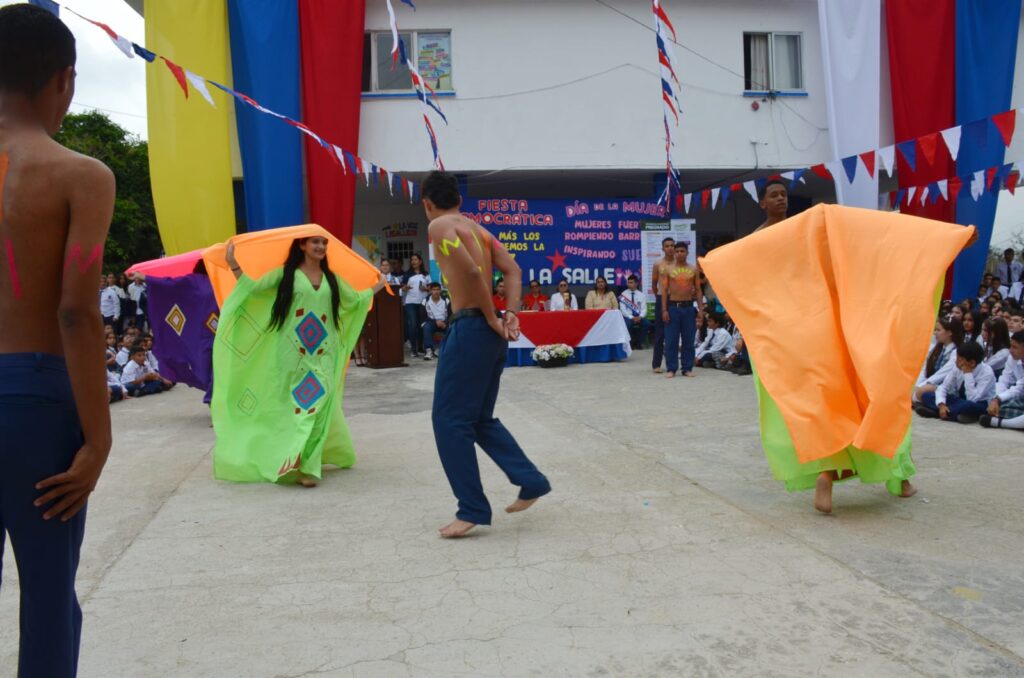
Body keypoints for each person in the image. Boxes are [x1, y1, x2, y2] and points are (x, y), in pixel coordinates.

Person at [701, 203, 976, 515]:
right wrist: (952, 240)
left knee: (834, 412)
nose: (780, 200)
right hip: (858, 333)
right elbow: (900, 240)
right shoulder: (833, 228)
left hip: (823, 336)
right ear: (764, 201)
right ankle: (900, 480)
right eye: (774, 195)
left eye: (782, 195)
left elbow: (749, 265)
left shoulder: (796, 234)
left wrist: (715, 262)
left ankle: (827, 476)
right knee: (882, 405)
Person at [0, 6, 115, 675]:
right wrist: (98, 440)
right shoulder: (79, 175)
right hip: (35, 402)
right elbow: (76, 312)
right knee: (47, 596)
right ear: (64, 81)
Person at [421, 171, 550, 538]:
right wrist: (510, 313)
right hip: (487, 334)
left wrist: (494, 319)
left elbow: (474, 273)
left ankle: (472, 508)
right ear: (459, 200)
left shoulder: (440, 226)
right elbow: (513, 270)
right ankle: (531, 480)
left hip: (471, 327)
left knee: (448, 421)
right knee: (478, 419)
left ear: (427, 203)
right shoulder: (479, 230)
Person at [213, 235, 387, 487]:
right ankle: (294, 459)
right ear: (302, 246)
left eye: (324, 243)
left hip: (324, 356)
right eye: (315, 242)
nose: (320, 247)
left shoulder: (332, 280)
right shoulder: (285, 275)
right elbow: (252, 288)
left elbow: (355, 300)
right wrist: (233, 264)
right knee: (297, 408)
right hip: (290, 357)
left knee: (318, 405)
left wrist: (379, 285)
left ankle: (307, 464)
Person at [914, 341, 995, 424]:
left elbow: (973, 399)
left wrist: (967, 373)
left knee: (968, 406)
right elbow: (943, 387)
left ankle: (937, 412)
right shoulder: (957, 367)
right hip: (958, 399)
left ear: (972, 363)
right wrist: (941, 404)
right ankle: (950, 413)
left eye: (960, 359)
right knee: (927, 395)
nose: (956, 362)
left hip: (979, 403)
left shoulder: (987, 373)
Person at [660, 241, 703, 378]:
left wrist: (701, 310)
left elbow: (698, 290)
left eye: (682, 251)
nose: (679, 253)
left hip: (688, 308)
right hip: (673, 307)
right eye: (677, 251)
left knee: (688, 340)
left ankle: (687, 368)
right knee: (671, 340)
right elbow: (664, 290)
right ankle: (671, 368)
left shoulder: (693, 269)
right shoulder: (668, 269)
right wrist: (664, 310)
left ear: (687, 252)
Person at [913, 318, 963, 403]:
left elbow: (942, 374)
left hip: (946, 387)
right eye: (935, 330)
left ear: (950, 332)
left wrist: (922, 385)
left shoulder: (956, 352)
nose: (935, 333)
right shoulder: (938, 349)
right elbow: (925, 369)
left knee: (922, 392)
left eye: (939, 330)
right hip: (932, 383)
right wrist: (918, 385)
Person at [981, 330, 1024, 428]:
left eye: (1015, 347)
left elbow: (1019, 387)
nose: (1010, 350)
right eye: (1010, 346)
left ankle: (999, 423)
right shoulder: (1012, 358)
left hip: (1019, 394)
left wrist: (998, 400)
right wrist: (995, 400)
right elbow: (1004, 381)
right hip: (1019, 398)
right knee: (989, 402)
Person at [650, 236, 675, 373]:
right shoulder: (658, 264)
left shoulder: (680, 264)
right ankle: (656, 364)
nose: (670, 248)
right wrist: (660, 297)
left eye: (672, 245)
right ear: (663, 248)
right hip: (661, 299)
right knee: (660, 333)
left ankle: (673, 363)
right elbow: (654, 284)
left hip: (677, 299)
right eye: (667, 246)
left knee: (674, 334)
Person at [401, 253, 431, 356]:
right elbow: (402, 288)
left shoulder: (426, 274)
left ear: (420, 261)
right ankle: (413, 349)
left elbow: (431, 289)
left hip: (422, 303)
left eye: (415, 259)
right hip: (410, 303)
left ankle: (421, 348)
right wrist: (405, 288)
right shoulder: (407, 274)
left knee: (421, 325)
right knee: (413, 325)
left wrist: (425, 289)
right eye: (412, 260)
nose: (413, 261)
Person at [420, 281, 450, 361]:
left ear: (440, 291)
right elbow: (423, 317)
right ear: (430, 291)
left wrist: (445, 322)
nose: (436, 292)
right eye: (434, 290)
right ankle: (429, 351)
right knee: (426, 327)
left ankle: (440, 349)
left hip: (444, 322)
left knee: (452, 327)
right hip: (431, 323)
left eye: (438, 289)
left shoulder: (446, 300)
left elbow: (451, 314)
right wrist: (435, 322)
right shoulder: (425, 301)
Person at [618, 274, 648, 349]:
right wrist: (632, 318)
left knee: (647, 324)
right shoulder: (623, 294)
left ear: (636, 283)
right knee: (627, 324)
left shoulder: (642, 295)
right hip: (628, 317)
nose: (629, 284)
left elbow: (644, 309)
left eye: (631, 282)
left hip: (639, 316)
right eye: (628, 282)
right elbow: (623, 310)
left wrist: (640, 317)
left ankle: (638, 343)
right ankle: (630, 343)